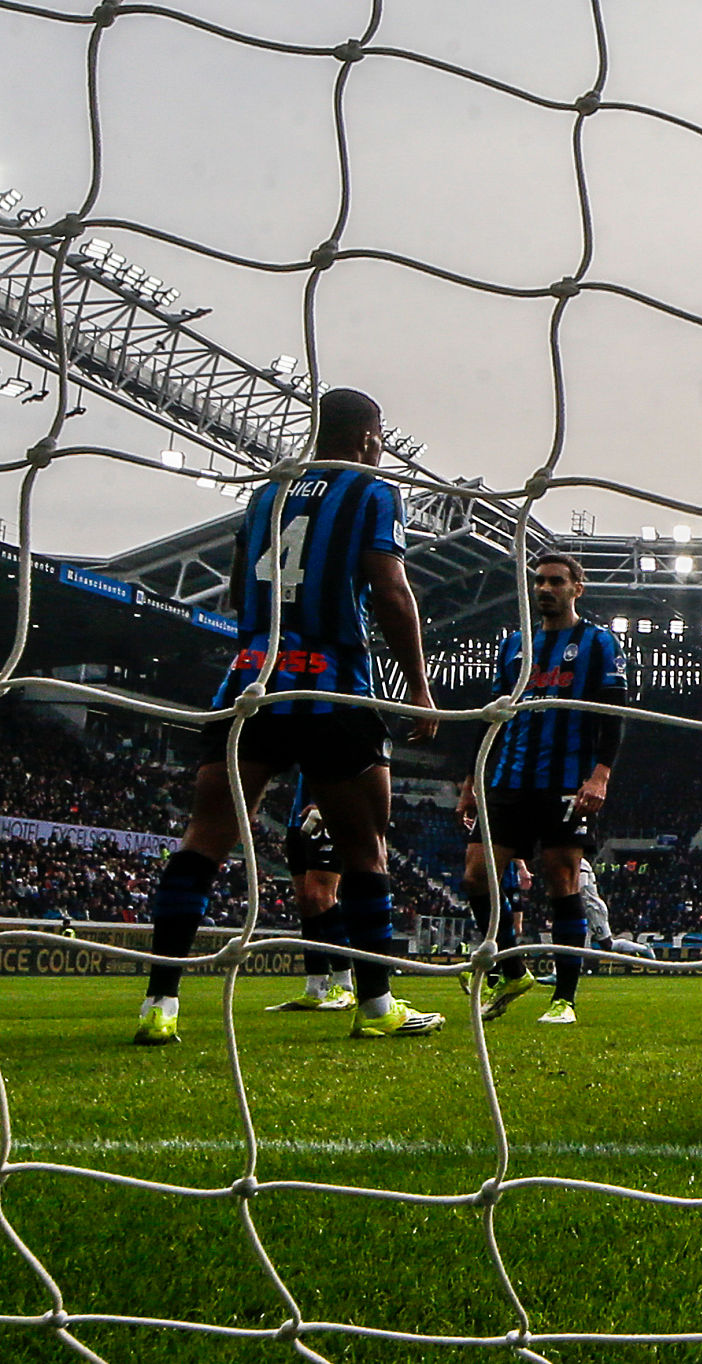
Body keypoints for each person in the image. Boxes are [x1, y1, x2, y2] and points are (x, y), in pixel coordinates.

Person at [132, 387, 441, 1044]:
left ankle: (160, 1004)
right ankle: (378, 1005)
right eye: (379, 435)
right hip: (332, 685)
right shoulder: (372, 490)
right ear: (368, 436)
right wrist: (418, 684)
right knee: (365, 849)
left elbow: (245, 576)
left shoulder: (269, 491)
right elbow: (389, 587)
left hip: (251, 682)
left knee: (204, 838)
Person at [458, 553, 625, 1027]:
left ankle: (565, 1000)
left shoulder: (597, 643)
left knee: (562, 881)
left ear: (578, 588)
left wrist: (600, 775)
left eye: (555, 581)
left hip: (566, 782)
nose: (545, 589)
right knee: (475, 876)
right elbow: (492, 716)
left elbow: (614, 713)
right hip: (507, 778)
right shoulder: (515, 646)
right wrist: (472, 780)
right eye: (539, 581)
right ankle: (513, 970)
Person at [264, 781, 357, 1012]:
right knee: (306, 900)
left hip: (330, 810)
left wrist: (323, 800)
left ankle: (344, 985)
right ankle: (315, 987)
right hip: (298, 818)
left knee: (321, 895)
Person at [579, 861, 654, 959]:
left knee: (608, 945)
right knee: (576, 941)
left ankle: (643, 949)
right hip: (582, 909)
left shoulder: (581, 863)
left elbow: (580, 887)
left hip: (593, 909)